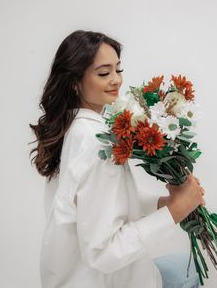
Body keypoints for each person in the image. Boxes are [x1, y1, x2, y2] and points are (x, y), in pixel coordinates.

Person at [29, 30, 205, 288]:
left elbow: (105, 198)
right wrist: (175, 211)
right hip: (100, 279)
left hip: (69, 278)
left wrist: (164, 201)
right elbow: (103, 253)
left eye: (118, 70)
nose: (116, 80)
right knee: (189, 271)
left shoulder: (72, 129)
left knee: (183, 266)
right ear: (74, 82)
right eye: (103, 73)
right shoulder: (95, 143)